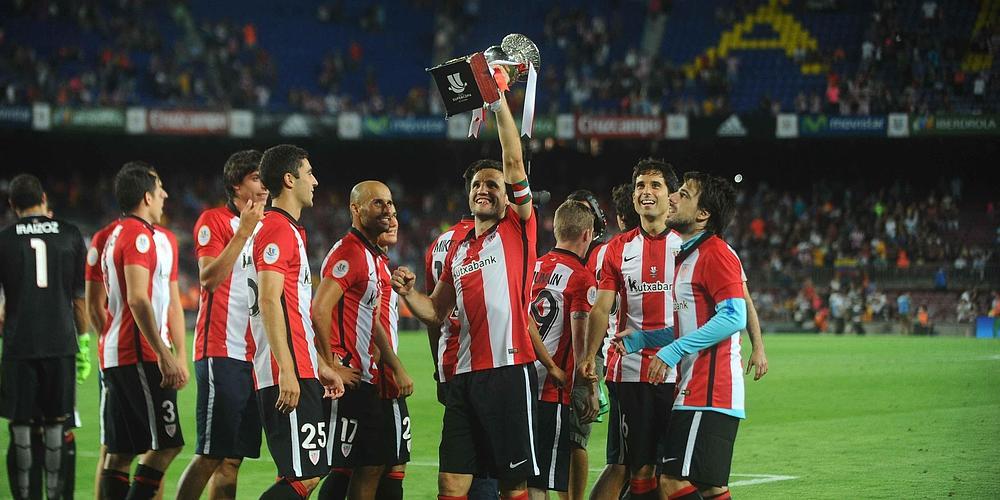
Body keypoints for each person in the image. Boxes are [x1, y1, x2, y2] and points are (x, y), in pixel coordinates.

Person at [391, 88, 539, 500]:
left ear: (508, 195)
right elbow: (435, 311)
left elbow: (512, 158)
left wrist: (497, 102)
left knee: (514, 486)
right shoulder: (457, 249)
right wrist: (407, 293)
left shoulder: (518, 229)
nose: (484, 190)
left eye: (493, 184)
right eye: (477, 184)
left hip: (509, 372)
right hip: (465, 378)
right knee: (451, 483)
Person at [614, 171, 748, 500]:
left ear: (703, 214)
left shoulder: (715, 253)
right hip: (697, 390)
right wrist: (645, 340)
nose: (673, 198)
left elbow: (734, 315)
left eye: (684, 195)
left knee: (672, 481)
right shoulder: (688, 256)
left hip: (708, 391)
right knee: (710, 486)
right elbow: (692, 325)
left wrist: (673, 351)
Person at [577, 159, 683, 500]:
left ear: (671, 197)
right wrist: (590, 360)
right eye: (640, 185)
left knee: (673, 472)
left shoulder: (686, 246)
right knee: (638, 469)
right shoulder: (617, 249)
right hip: (630, 375)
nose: (646, 192)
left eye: (655, 186)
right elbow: (601, 308)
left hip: (677, 374)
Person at [247, 144, 345, 499]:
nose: (315, 181)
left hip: (299, 367)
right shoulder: (276, 229)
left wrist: (319, 364)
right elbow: (269, 300)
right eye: (309, 173)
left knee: (298, 471)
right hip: (285, 372)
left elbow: (295, 313)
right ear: (289, 180)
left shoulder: (285, 230)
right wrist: (287, 370)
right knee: (305, 476)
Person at [176, 150, 269, 499]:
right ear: (236, 185)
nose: (264, 186)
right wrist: (242, 233)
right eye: (256, 178)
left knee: (232, 460)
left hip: (256, 357)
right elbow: (209, 278)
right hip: (221, 350)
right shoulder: (213, 221)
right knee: (211, 455)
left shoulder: (272, 226)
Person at [313, 181, 412, 500]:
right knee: (342, 469)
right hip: (355, 378)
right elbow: (318, 310)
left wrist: (395, 365)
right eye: (379, 204)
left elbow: (372, 322)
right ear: (355, 209)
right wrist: (330, 365)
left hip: (372, 376)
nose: (390, 212)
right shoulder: (351, 253)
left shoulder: (377, 261)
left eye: (391, 205)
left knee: (372, 465)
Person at [98, 162, 188, 500]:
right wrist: (165, 355)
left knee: (120, 453)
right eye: (160, 189)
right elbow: (138, 298)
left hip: (117, 353)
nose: (165, 195)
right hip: (137, 355)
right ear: (147, 197)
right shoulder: (138, 235)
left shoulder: (117, 234)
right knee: (167, 446)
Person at [0, 174, 87, 499]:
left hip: (19, 345)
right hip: (60, 343)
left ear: (12, 205)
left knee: (21, 429)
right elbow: (79, 299)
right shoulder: (70, 234)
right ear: (44, 199)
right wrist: (85, 341)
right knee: (55, 427)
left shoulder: (5, 239)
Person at [422, 199, 499, 500]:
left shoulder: (439, 244)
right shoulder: (498, 238)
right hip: (491, 363)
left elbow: (434, 313)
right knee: (489, 463)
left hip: (449, 362)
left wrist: (437, 366)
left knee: (460, 456)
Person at [526, 200, 597, 500]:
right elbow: (580, 343)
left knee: (526, 478)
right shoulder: (581, 278)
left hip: (523, 382)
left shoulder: (532, 266)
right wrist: (588, 387)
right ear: (587, 235)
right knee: (542, 481)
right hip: (553, 391)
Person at [563, 189, 609, 500]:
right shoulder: (578, 256)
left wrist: (589, 371)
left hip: (585, 355)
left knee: (575, 436)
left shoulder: (598, 256)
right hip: (567, 355)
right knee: (567, 436)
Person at [374, 212, 413, 500]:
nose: (392, 220)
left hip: (380, 371)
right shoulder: (366, 261)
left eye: (395, 214)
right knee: (388, 463)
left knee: (370, 466)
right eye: (383, 213)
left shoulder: (383, 265)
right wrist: (396, 367)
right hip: (379, 375)